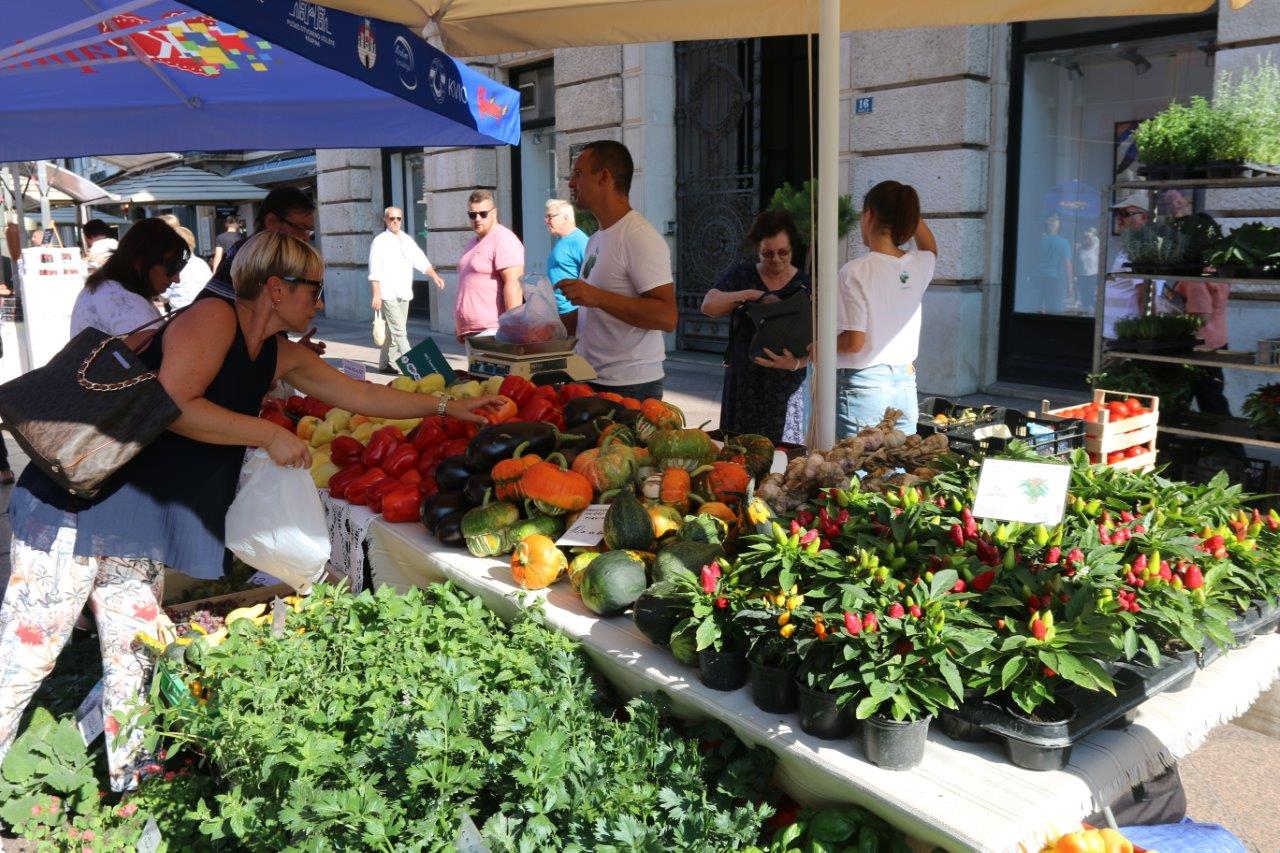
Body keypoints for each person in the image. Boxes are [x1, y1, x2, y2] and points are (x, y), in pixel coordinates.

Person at [0, 230, 501, 791]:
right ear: (276, 289)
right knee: (29, 652)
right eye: (314, 289)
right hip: (79, 503)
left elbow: (362, 396)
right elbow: (174, 404)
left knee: (133, 652)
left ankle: (133, 780)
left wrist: (449, 405)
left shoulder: (276, 352)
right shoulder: (212, 319)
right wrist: (266, 433)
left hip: (135, 519)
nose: (320, 303)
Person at [561, 141, 677, 400]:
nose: (571, 183)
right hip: (593, 377)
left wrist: (596, 297)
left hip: (630, 385)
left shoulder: (638, 236)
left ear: (604, 177)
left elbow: (667, 317)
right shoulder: (595, 238)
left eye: (578, 174)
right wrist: (545, 324)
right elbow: (596, 312)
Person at [828, 180, 937, 437]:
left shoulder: (855, 271)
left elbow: (854, 341)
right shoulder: (920, 264)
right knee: (899, 461)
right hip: (904, 384)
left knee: (856, 462)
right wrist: (910, 214)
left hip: (863, 386)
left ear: (868, 215)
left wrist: (821, 345)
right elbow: (930, 247)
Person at [701, 209, 809, 443]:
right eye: (767, 253)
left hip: (786, 386)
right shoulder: (742, 276)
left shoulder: (804, 284)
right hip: (744, 384)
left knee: (785, 456)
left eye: (783, 252)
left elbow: (823, 343)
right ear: (757, 249)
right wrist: (750, 294)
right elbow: (708, 306)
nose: (776, 259)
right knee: (739, 452)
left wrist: (797, 363)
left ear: (792, 248)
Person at [202, 187, 325, 355]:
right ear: (272, 221)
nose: (305, 237)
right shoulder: (251, 257)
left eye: (309, 230)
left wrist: (291, 351)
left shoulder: (262, 256)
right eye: (300, 228)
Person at [70, 217, 188, 337]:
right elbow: (153, 346)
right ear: (140, 262)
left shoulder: (110, 290)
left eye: (180, 267)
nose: (176, 279)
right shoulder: (119, 300)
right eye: (172, 267)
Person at [369, 206, 444, 373]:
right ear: (385, 220)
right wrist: (376, 294)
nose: (395, 221)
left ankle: (385, 364)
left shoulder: (407, 239)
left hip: (404, 293)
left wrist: (435, 276)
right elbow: (374, 270)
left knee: (393, 332)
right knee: (400, 332)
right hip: (387, 293)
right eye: (391, 218)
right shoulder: (379, 241)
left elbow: (420, 260)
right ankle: (417, 368)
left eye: (398, 218)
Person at [455, 189, 524, 341]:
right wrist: (460, 326)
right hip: (471, 331)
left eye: (483, 214)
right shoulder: (473, 242)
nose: (477, 219)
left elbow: (514, 284)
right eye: (472, 215)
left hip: (493, 330)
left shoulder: (504, 239)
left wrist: (512, 329)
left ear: (494, 213)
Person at [1102, 196, 1150, 340]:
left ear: (1143, 217)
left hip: (1126, 336)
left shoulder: (1139, 249)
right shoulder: (1130, 246)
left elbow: (1145, 294)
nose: (1119, 218)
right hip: (1115, 332)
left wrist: (1145, 334)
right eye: (1118, 214)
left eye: (1125, 214)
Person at [544, 198, 588, 335]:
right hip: (559, 312)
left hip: (572, 312)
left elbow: (591, 277)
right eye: (546, 216)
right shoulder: (561, 240)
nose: (546, 220)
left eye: (550, 216)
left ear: (565, 218)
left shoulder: (579, 241)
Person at [162, 225, 213, 310]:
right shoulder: (202, 263)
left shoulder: (174, 265)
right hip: (204, 310)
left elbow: (164, 295)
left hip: (180, 312)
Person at [1036, 213, 1075, 313]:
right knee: (1053, 308)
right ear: (1058, 227)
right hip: (1054, 279)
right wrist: (1070, 284)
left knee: (1038, 307)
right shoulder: (1063, 242)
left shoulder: (1039, 240)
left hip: (1038, 277)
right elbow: (1068, 264)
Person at [1076, 226, 1100, 314]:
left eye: (1089, 237)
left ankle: (1097, 311)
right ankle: (1086, 314)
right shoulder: (1080, 249)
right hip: (1082, 276)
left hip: (1093, 275)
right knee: (1083, 297)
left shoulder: (1097, 247)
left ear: (1093, 238)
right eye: (1085, 237)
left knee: (1090, 295)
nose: (1087, 239)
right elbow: (1077, 262)